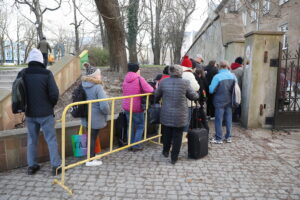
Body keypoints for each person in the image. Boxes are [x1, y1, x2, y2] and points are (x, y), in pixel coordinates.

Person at [16, 48, 61, 176]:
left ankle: (32, 166)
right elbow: (54, 94)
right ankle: (56, 166)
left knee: (31, 140)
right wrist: (49, 105)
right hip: (46, 113)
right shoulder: (47, 74)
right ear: (41, 60)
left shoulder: (23, 73)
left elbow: (19, 92)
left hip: (30, 113)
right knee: (51, 139)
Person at [155, 65, 199, 164]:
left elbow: (157, 95)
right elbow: (193, 96)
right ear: (180, 72)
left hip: (166, 112)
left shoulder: (163, 82)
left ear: (170, 72)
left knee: (166, 133)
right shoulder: (185, 83)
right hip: (180, 114)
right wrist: (198, 95)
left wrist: (157, 101)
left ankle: (165, 151)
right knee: (178, 136)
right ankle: (174, 157)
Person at [81, 65, 110, 166]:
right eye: (99, 74)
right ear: (95, 76)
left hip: (85, 115)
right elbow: (104, 105)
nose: (100, 76)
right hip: (96, 117)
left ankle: (91, 156)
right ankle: (90, 160)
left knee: (90, 137)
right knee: (92, 137)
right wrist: (107, 112)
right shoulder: (97, 87)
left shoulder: (83, 84)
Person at [122, 63, 154, 151]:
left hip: (127, 106)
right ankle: (136, 145)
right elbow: (150, 90)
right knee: (140, 125)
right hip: (136, 106)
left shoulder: (125, 78)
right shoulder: (139, 78)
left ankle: (130, 145)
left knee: (130, 125)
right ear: (137, 70)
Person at [209, 60, 236, 144]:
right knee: (228, 118)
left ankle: (219, 138)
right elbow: (235, 89)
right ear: (227, 66)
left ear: (219, 67)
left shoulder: (217, 77)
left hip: (219, 100)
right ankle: (228, 137)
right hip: (230, 100)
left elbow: (211, 90)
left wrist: (211, 86)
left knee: (218, 119)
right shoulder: (233, 76)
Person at [181, 55, 200, 136]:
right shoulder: (189, 74)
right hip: (187, 101)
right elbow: (196, 87)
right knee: (187, 119)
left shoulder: (178, 72)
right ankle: (183, 136)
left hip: (178, 101)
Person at [230, 57, 244, 121]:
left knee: (232, 102)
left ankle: (232, 116)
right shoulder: (241, 70)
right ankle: (236, 117)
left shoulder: (231, 68)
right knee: (238, 102)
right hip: (238, 88)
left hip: (230, 88)